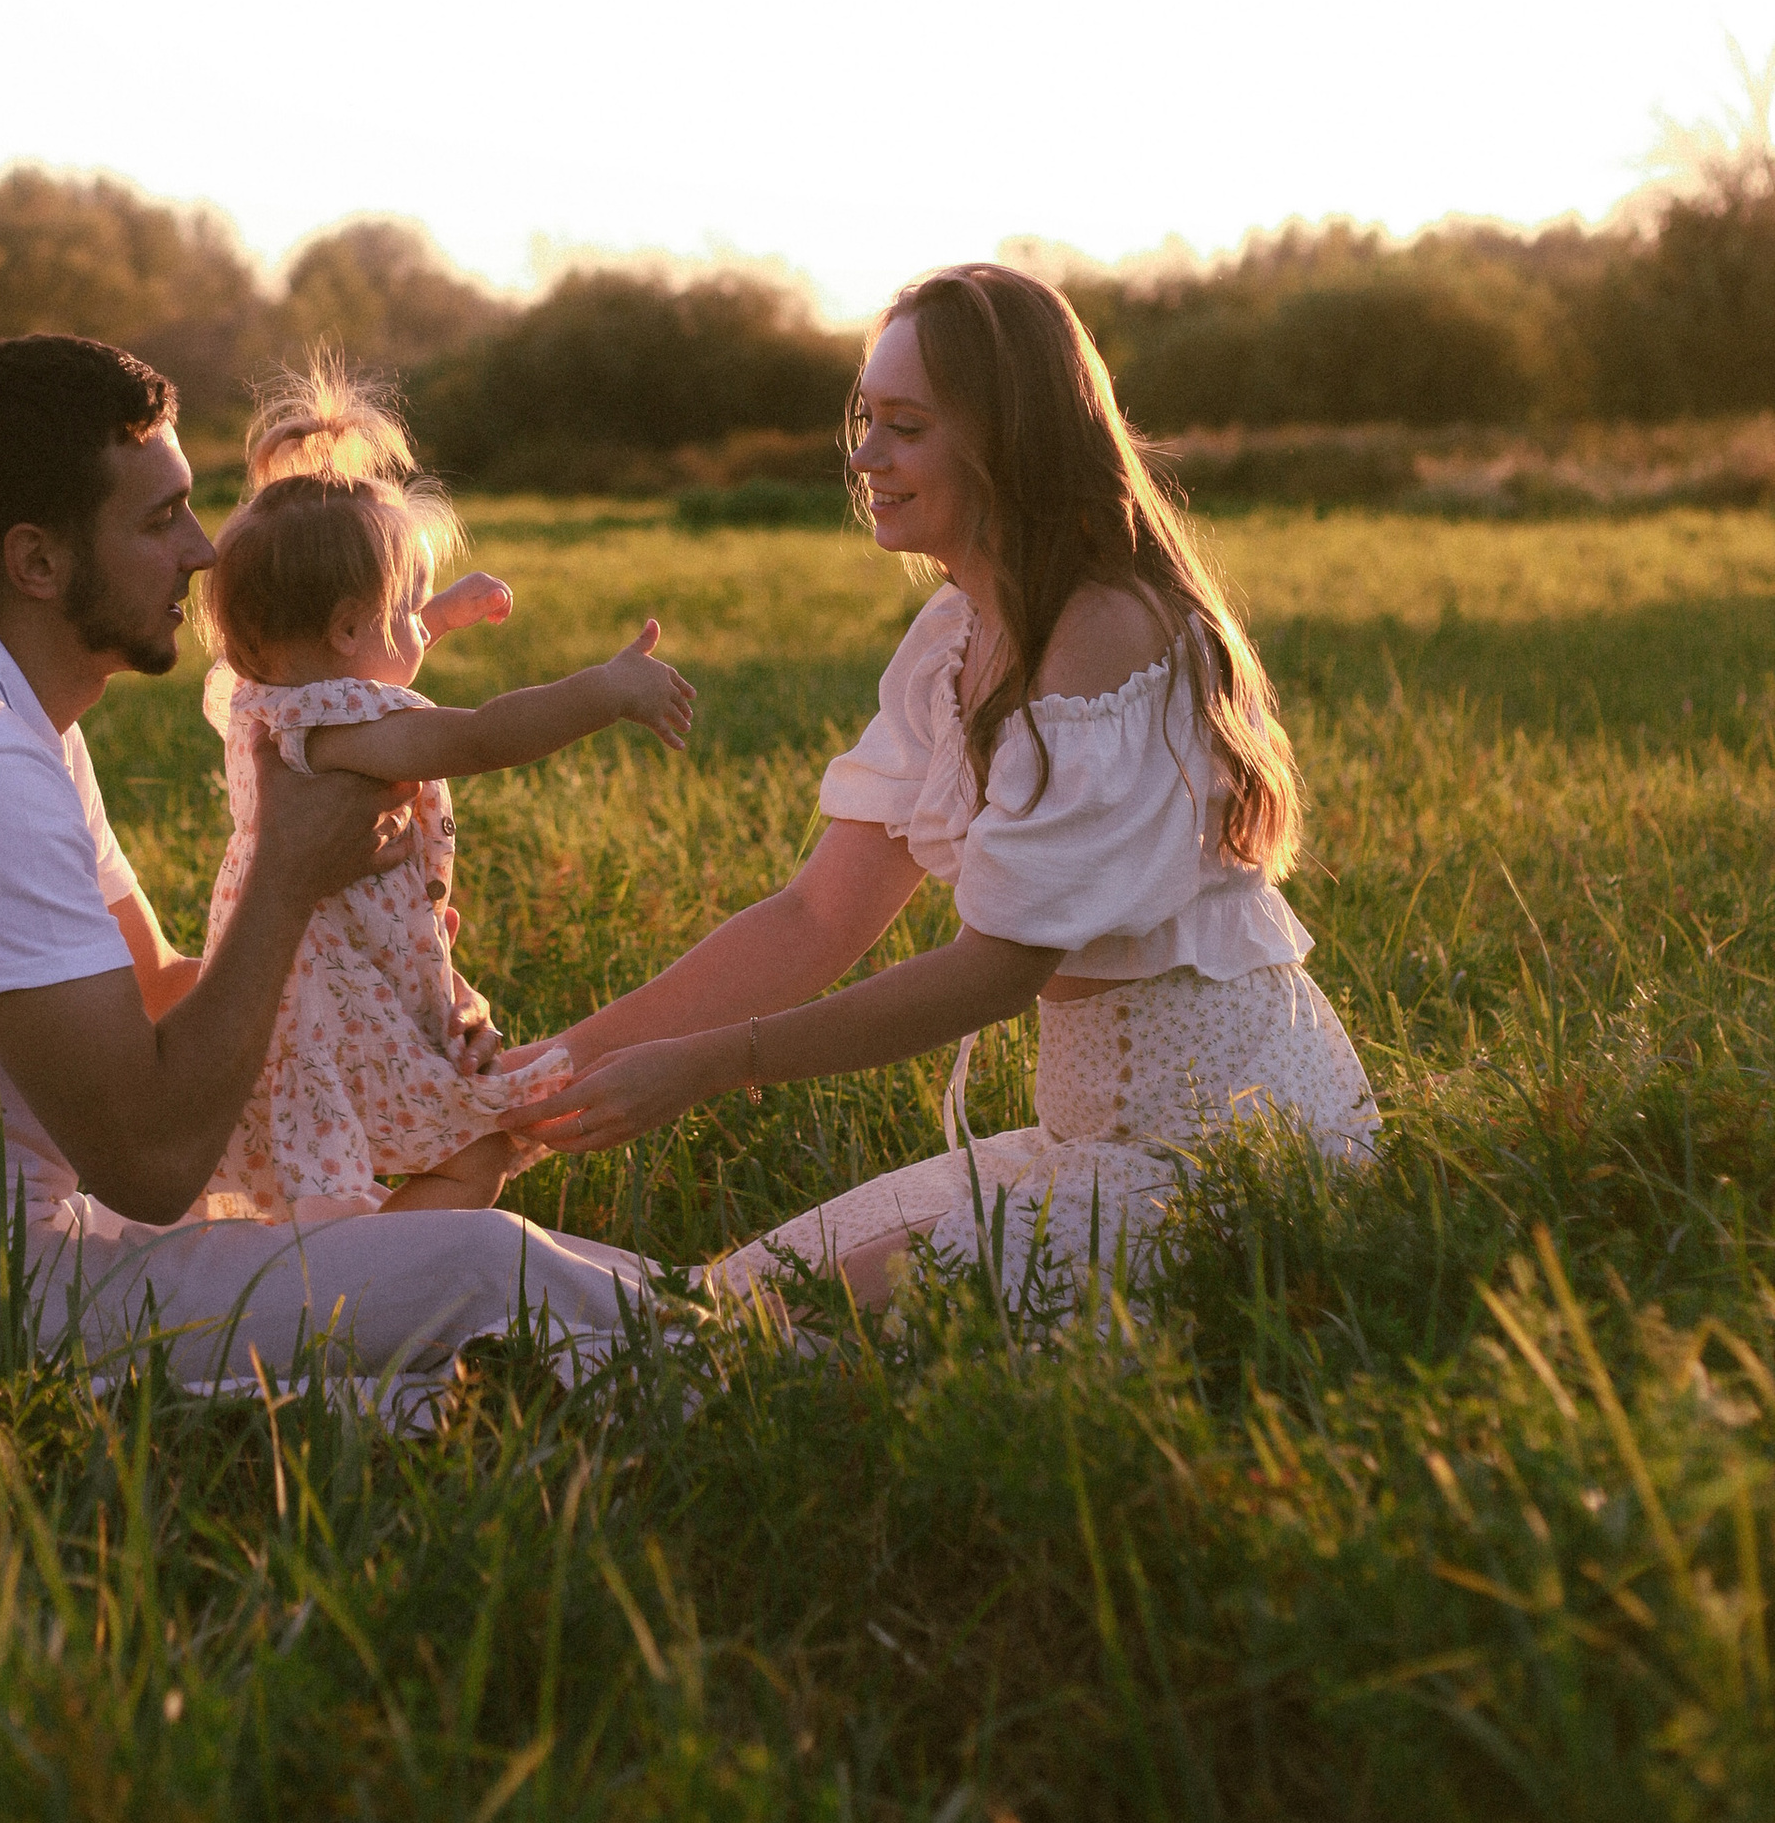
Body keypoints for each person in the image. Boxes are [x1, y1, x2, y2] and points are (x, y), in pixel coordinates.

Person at [0, 333, 655, 1388]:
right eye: (158, 519)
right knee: (483, 1263)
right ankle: (762, 1355)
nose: (201, 551)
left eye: (190, 505)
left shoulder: (10, 719)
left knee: (538, 1262)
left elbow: (154, 999)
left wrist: (394, 1023)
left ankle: (703, 1312)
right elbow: (150, 1164)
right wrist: (285, 878)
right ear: (37, 562)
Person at [519, 266, 1378, 1306]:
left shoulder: (1108, 632)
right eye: (866, 419)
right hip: (1082, 1143)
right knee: (724, 1296)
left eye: (907, 427)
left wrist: (704, 1065)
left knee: (785, 1327)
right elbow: (813, 917)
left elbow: (994, 974)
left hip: (1221, 1157)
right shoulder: (953, 638)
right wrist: (545, 1075)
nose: (863, 455)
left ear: (1008, 441)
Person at [194, 361, 693, 1220]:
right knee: (466, 1153)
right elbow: (479, 736)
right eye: (408, 608)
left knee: (353, 1167)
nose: (418, 628)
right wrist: (605, 692)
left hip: (320, 988)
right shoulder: (354, 725)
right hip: (327, 1010)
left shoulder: (264, 696)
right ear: (350, 626)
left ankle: (349, 1270)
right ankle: (373, 1287)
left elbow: (358, 648)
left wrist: (436, 614)